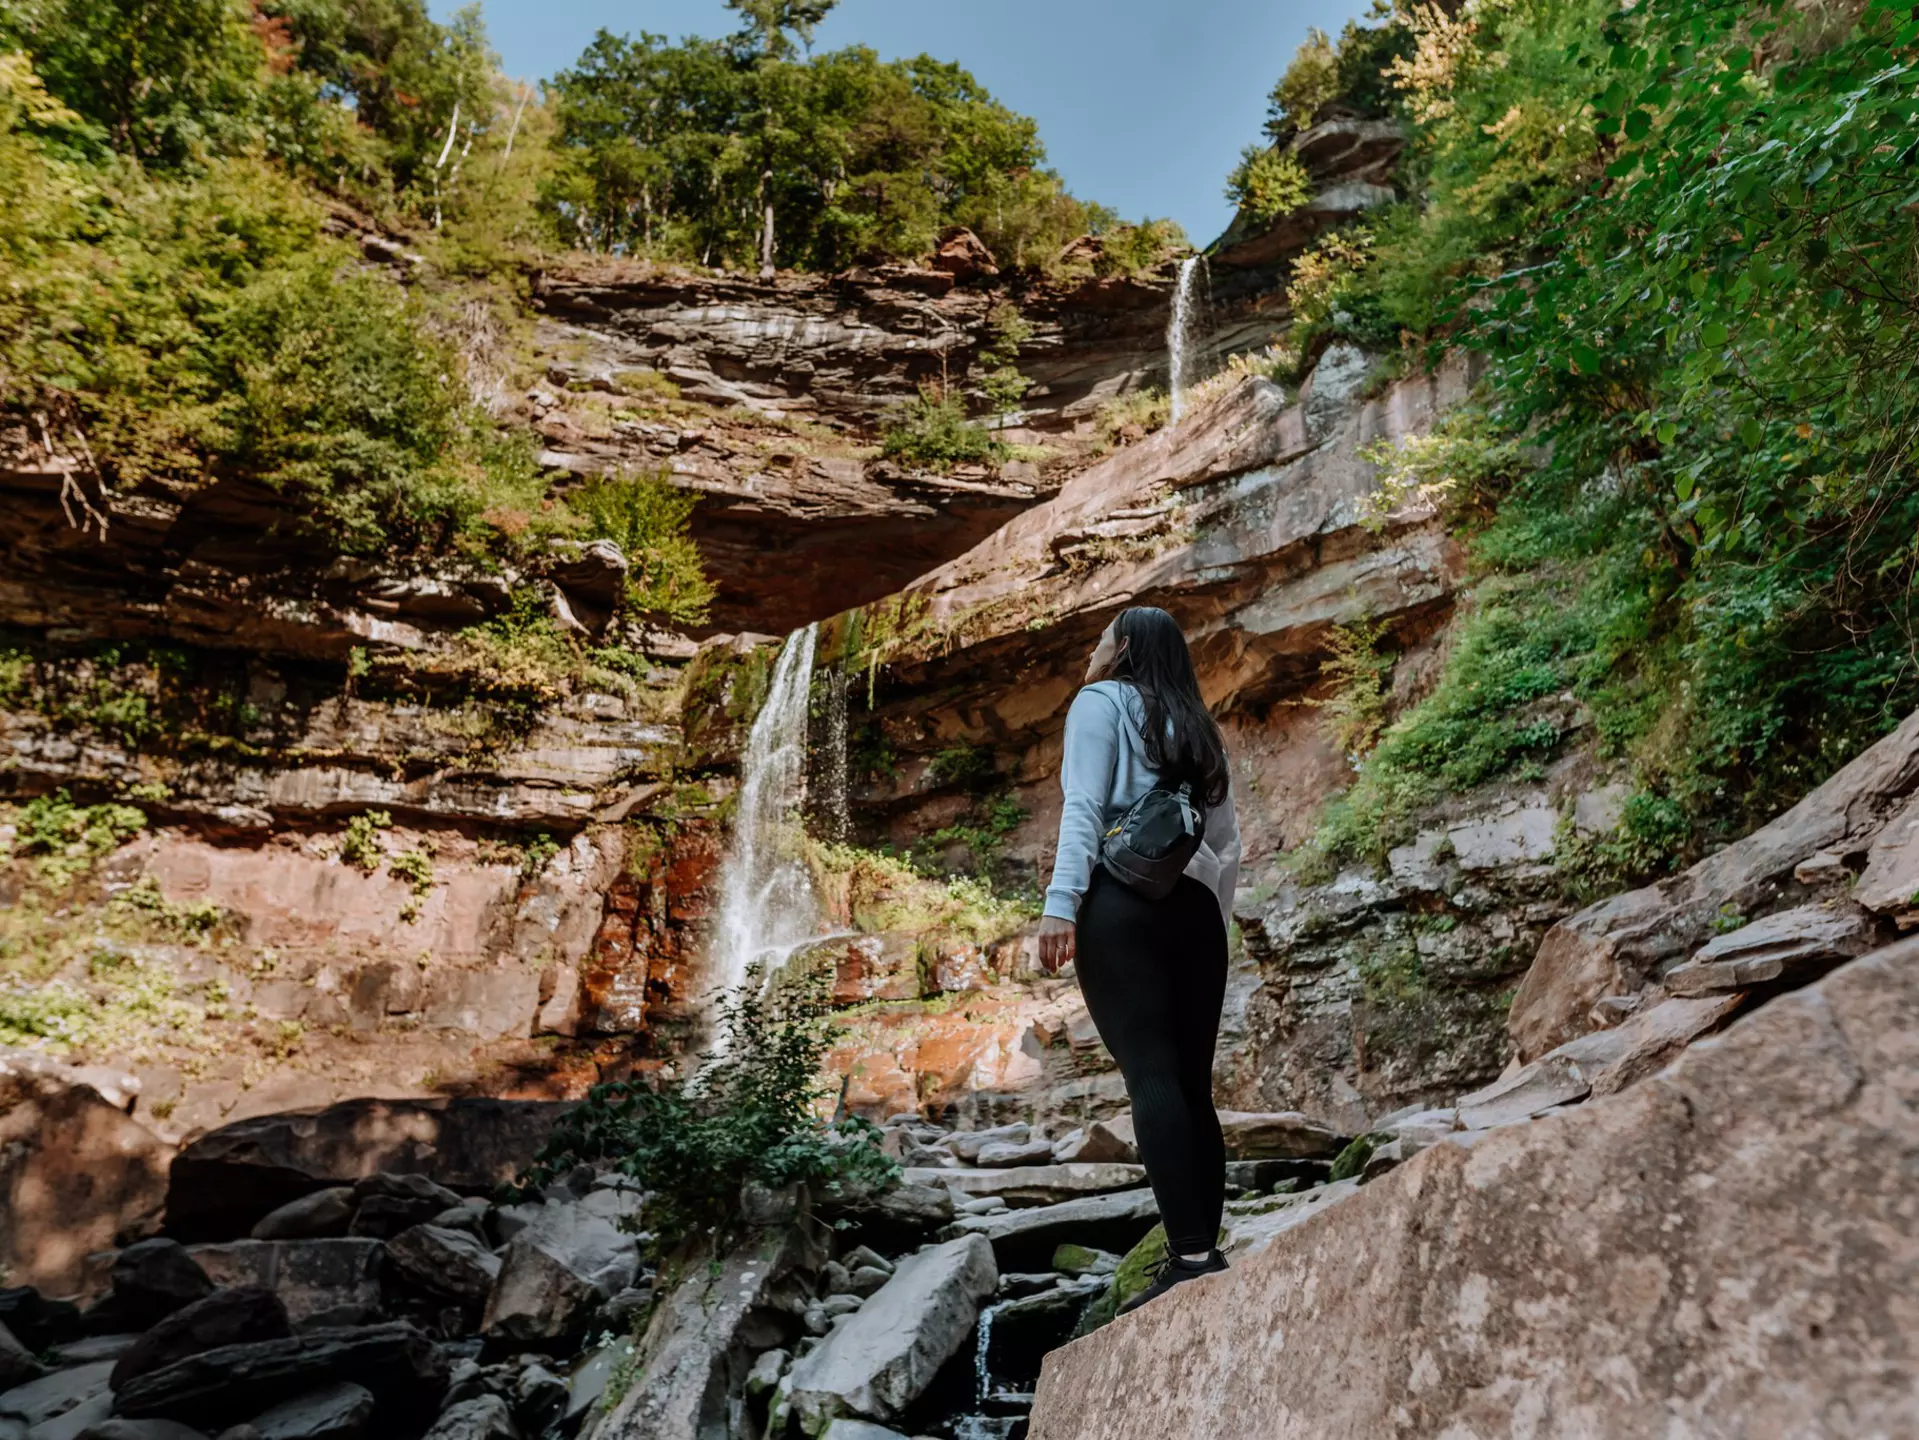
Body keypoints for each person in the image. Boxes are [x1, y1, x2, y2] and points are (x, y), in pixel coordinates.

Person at [1037, 605, 1241, 1316]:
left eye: (1099, 637)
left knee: (1150, 1078)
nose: (1092, 648)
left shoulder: (1097, 703)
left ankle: (1187, 1256)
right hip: (1192, 915)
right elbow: (1227, 842)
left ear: (1121, 648)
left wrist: (1061, 905)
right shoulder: (1196, 724)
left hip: (1121, 908)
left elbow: (1084, 807)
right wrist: (1207, 928)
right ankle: (1201, 1248)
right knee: (1192, 1088)